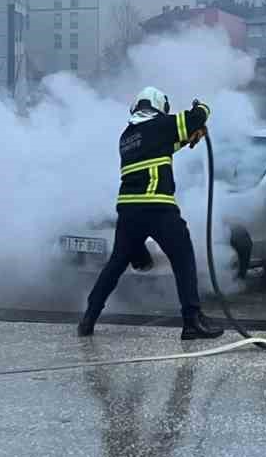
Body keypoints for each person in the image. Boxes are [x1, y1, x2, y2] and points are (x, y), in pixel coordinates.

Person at [78, 87, 225, 340]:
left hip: (127, 209)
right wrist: (201, 108)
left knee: (116, 263)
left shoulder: (128, 135)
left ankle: (88, 318)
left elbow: (163, 145)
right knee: (183, 257)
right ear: (159, 106)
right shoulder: (161, 124)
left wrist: (191, 136)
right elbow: (198, 116)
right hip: (157, 206)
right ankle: (192, 321)